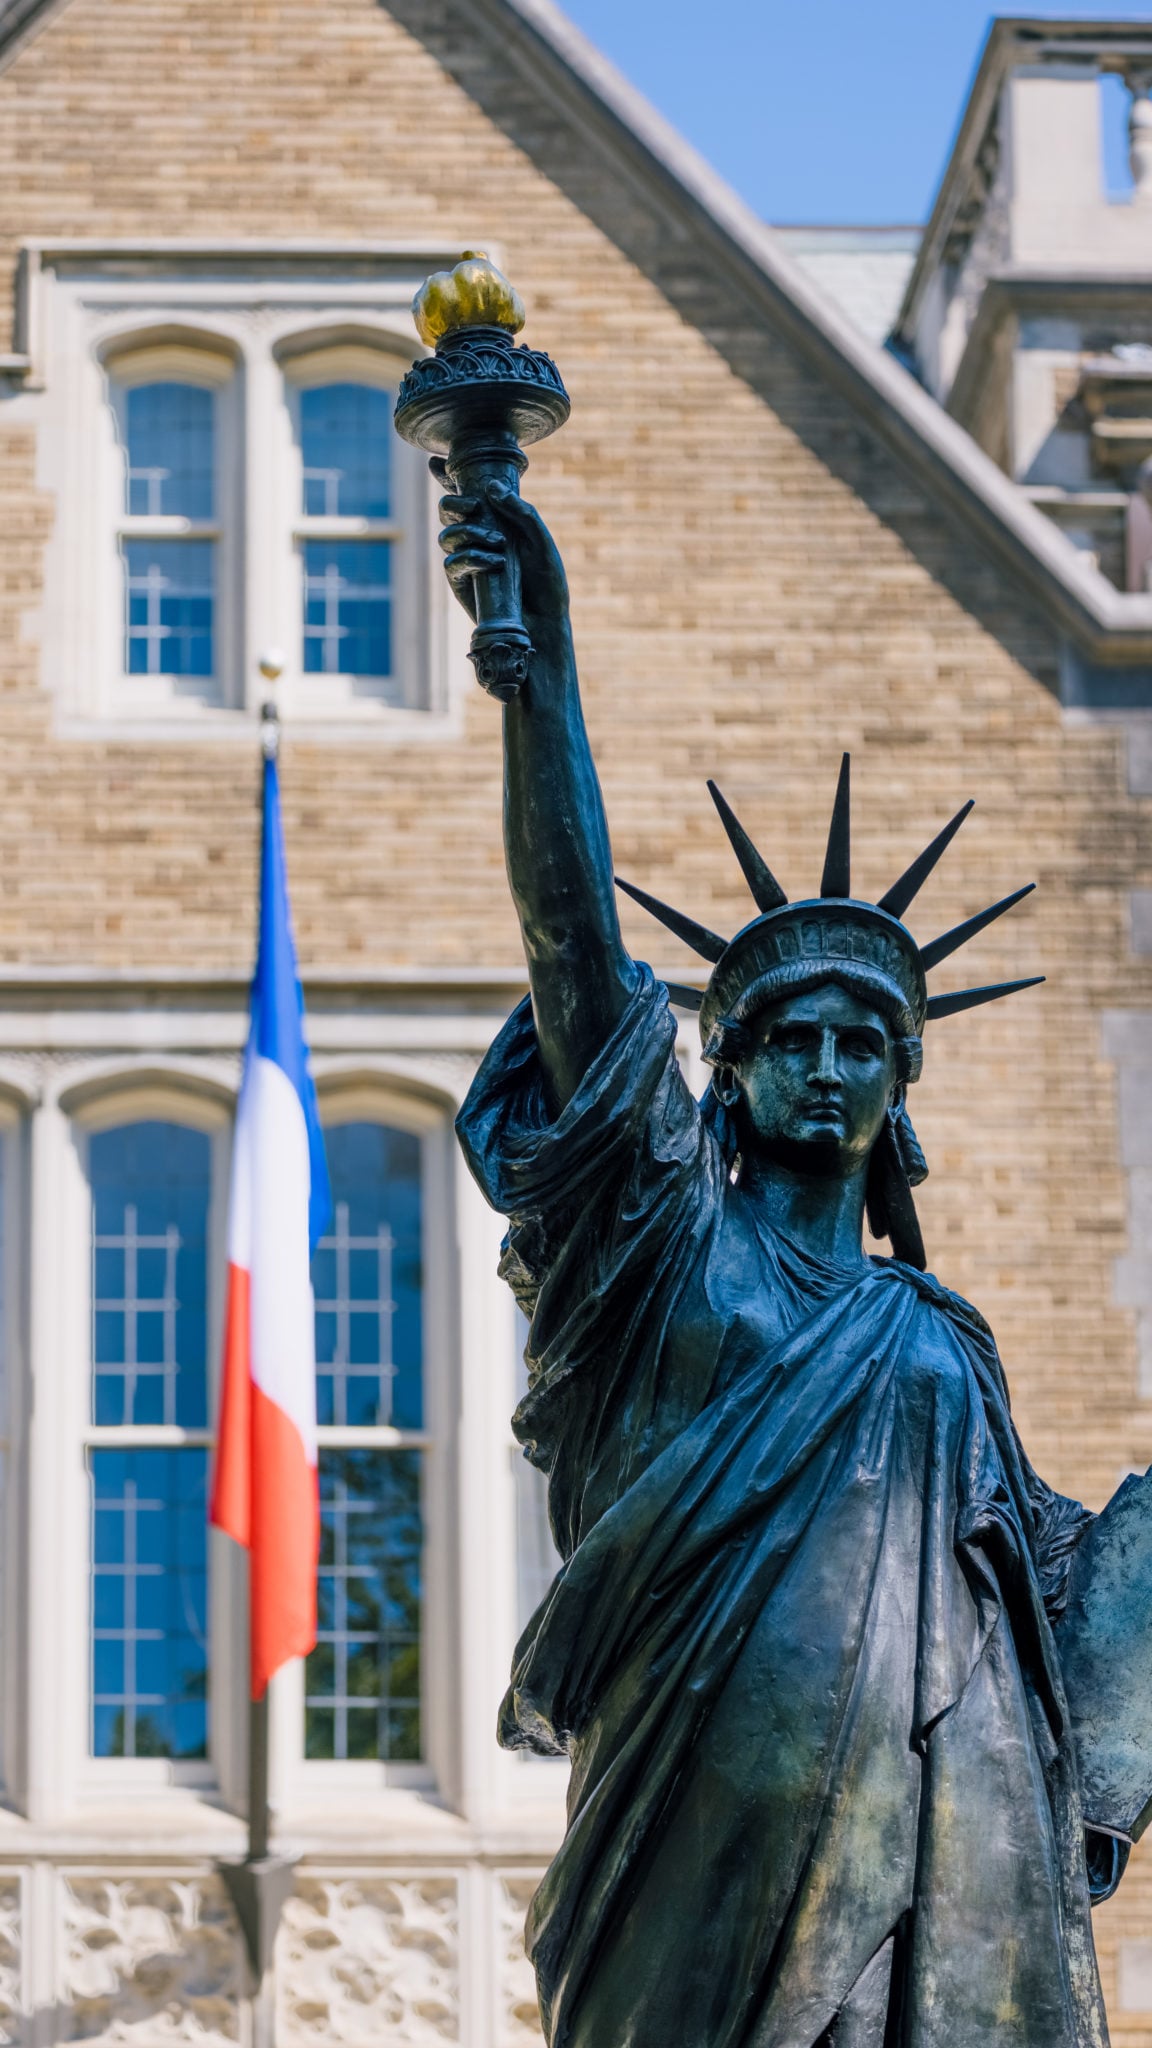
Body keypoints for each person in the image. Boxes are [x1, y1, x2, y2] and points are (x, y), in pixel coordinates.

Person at [438, 470, 1113, 2048]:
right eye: (788, 1037)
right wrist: (541, 674)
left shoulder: (939, 1343)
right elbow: (574, 948)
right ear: (723, 1074)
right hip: (678, 1843)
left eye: (864, 1041)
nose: (826, 1062)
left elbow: (1050, 1616)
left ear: (899, 1087)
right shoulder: (663, 1245)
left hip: (926, 1879)